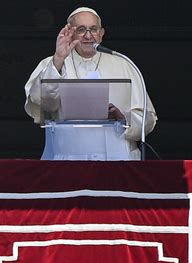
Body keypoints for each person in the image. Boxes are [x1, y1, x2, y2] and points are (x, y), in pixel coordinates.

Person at [24, 7, 157, 160]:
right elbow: (46, 103)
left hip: (116, 159)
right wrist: (59, 58)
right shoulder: (53, 63)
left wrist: (123, 119)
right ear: (70, 33)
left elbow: (147, 118)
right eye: (81, 30)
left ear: (101, 34)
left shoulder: (124, 64)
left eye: (93, 29)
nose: (88, 36)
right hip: (69, 158)